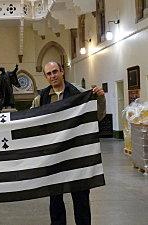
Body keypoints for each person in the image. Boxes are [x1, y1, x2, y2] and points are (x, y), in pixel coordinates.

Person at [31, 61, 106, 225]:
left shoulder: (78, 93)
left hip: (76, 155)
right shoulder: (40, 99)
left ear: (62, 71)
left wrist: (100, 98)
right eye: (49, 73)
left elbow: (97, 116)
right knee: (55, 200)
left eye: (55, 71)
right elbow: (31, 124)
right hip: (53, 157)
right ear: (45, 76)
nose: (53, 76)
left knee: (81, 199)